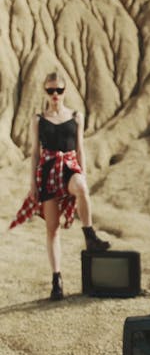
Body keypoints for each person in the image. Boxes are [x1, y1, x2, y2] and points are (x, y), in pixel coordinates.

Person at [10, 70, 110, 300]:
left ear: (65, 91)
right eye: (50, 90)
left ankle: (89, 234)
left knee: (82, 188)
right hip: (46, 171)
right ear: (45, 92)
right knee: (52, 230)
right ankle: (57, 280)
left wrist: (82, 173)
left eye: (59, 90)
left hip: (68, 166)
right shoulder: (38, 119)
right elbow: (34, 153)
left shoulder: (76, 116)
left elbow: (80, 148)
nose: (55, 94)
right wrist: (33, 183)